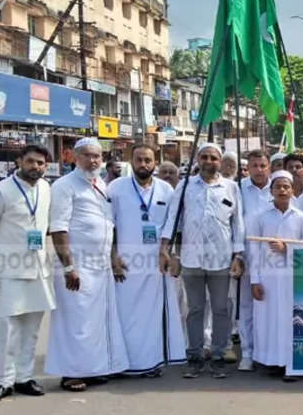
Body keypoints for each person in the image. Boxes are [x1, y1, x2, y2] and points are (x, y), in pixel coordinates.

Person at [45, 138, 129, 392]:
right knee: (75, 321)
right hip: (77, 265)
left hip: (100, 265)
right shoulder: (64, 186)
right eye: (87, 156)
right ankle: (71, 373)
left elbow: (108, 226)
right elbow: (58, 228)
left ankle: (91, 369)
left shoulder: (101, 184)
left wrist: (113, 259)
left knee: (95, 321)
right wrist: (69, 267)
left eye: (97, 156)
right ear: (74, 158)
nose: (93, 160)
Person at [160, 143, 245, 379]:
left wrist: (238, 256)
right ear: (198, 159)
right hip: (191, 258)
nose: (209, 162)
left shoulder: (231, 187)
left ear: (220, 161)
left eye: (213, 158)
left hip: (221, 258)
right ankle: (194, 356)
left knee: (220, 309)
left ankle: (218, 355)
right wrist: (167, 251)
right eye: (204, 157)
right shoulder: (185, 186)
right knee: (195, 309)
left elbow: (238, 224)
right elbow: (173, 220)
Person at [0, 145, 55, 404]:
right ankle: (3, 381)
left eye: (41, 163)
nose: (36, 167)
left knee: (31, 329)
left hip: (39, 268)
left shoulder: (46, 189)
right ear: (19, 161)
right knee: (6, 328)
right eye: (31, 162)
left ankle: (24, 377)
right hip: (7, 270)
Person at [108, 144, 186, 377]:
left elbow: (174, 226)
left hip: (156, 262)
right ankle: (125, 363)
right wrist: (113, 257)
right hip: (126, 262)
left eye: (148, 160)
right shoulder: (115, 188)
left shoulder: (165, 190)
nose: (143, 165)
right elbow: (108, 226)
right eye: (139, 160)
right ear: (131, 161)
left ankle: (152, 362)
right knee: (126, 314)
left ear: (155, 162)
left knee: (152, 316)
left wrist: (172, 255)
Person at [251, 170, 303, 380]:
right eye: (278, 186)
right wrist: (254, 280)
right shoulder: (261, 217)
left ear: (292, 190)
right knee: (268, 320)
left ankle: (290, 363)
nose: (282, 190)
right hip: (267, 279)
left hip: (291, 280)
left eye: (286, 186)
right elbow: (253, 250)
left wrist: (287, 248)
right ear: (271, 190)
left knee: (290, 321)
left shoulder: (301, 218)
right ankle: (271, 362)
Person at [236, 150, 273, 371]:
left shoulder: (279, 187)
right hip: (248, 255)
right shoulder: (238, 189)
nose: (259, 170)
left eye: (263, 165)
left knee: (271, 305)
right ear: (247, 168)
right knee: (247, 306)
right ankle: (248, 353)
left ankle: (268, 352)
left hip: (273, 259)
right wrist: (237, 254)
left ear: (269, 166)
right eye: (254, 166)